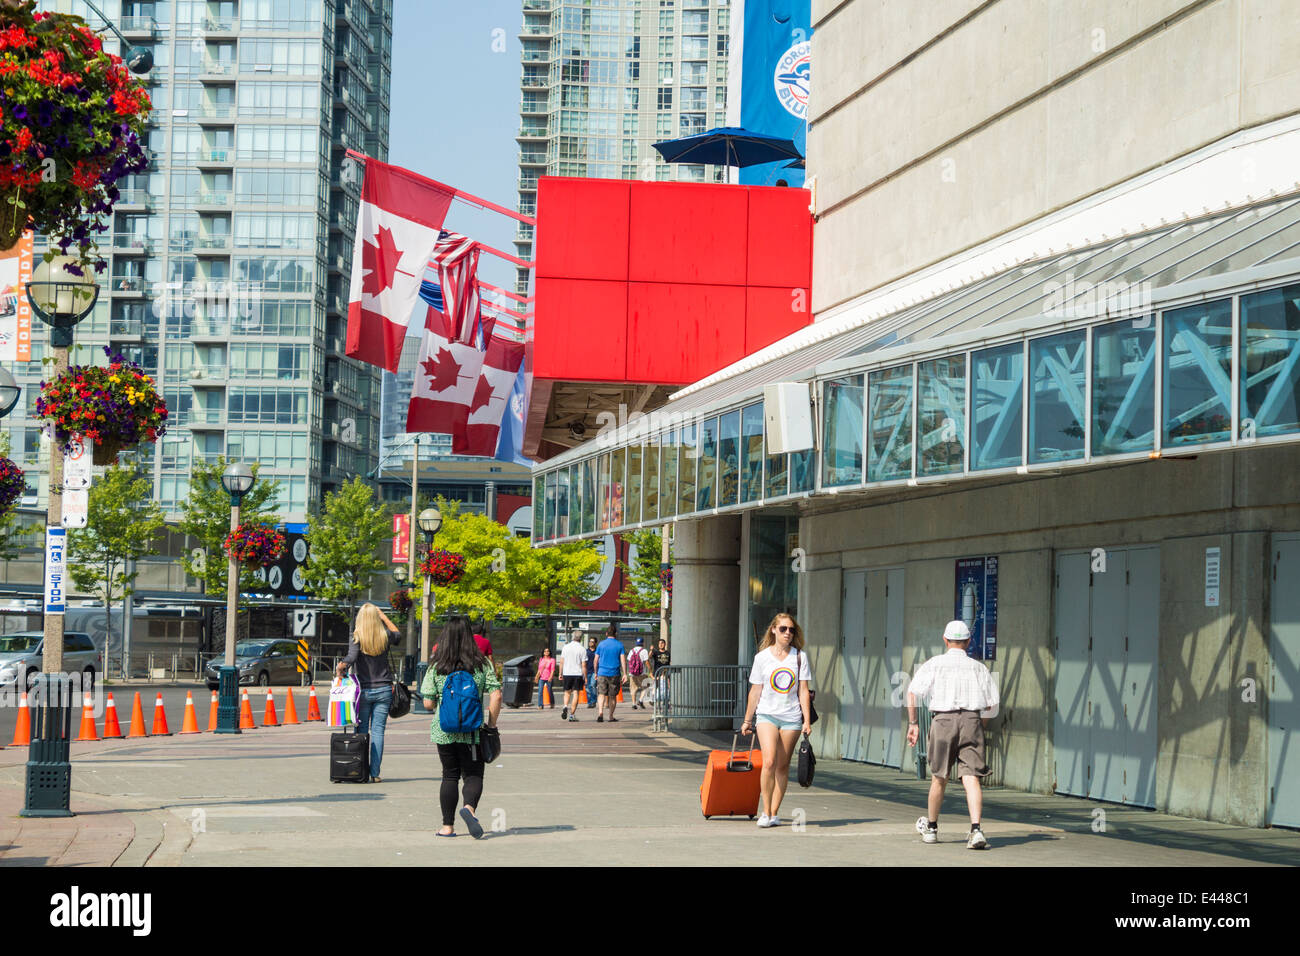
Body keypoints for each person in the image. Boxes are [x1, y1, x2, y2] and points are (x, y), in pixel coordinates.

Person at [906, 620, 999, 849]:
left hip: (943, 720)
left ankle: (932, 828)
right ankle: (976, 830)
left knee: (939, 776)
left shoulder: (935, 663)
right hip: (971, 719)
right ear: (968, 642)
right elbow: (993, 704)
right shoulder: (978, 667)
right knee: (971, 777)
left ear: (945, 640)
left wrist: (913, 723)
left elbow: (912, 692)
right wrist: (979, 725)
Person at [420, 615, 502, 839]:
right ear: (470, 636)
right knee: (473, 774)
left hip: (443, 729)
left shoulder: (437, 665)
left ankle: (447, 827)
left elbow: (427, 702)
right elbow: (496, 694)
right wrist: (491, 725)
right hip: (472, 731)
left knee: (449, 776)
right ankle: (469, 809)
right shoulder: (481, 664)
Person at [740, 613, 812, 828]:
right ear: (773, 630)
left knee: (782, 766)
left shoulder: (800, 657)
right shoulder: (762, 657)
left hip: (791, 717)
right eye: (783, 629)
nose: (787, 633)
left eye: (791, 630)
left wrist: (807, 720)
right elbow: (755, 690)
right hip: (766, 715)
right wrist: (747, 720)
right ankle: (764, 811)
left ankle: (773, 812)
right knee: (769, 761)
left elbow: (803, 691)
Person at [335, 603, 402, 783]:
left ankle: (360, 770)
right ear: (376, 618)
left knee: (362, 731)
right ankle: (375, 773)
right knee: (378, 731)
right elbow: (398, 634)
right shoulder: (385, 636)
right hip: (385, 690)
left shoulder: (356, 637)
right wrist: (383, 616)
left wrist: (340, 667)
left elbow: (350, 658)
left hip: (363, 691)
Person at [593, 624, 626, 723]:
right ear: (616, 634)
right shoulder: (619, 645)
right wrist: (624, 673)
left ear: (606, 633)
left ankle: (600, 713)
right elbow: (623, 660)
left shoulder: (601, 644)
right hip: (615, 673)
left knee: (601, 694)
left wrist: (595, 672)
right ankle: (611, 716)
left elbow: (595, 660)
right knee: (612, 696)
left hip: (602, 672)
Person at [559, 629, 586, 721]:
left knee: (567, 692)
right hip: (577, 674)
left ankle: (565, 706)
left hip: (567, 673)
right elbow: (583, 665)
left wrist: (560, 673)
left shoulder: (565, 647)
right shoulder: (582, 649)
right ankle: (572, 715)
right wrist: (585, 676)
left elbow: (561, 662)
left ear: (572, 637)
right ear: (581, 638)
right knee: (575, 693)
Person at [627, 637, 651, 709]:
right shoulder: (644, 651)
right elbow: (646, 662)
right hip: (641, 673)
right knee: (645, 686)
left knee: (633, 688)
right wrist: (650, 670)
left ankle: (633, 704)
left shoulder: (632, 650)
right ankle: (640, 700)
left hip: (632, 673)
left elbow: (629, 660)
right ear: (643, 643)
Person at [585, 636, 599, 708]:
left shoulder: (597, 651)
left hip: (594, 671)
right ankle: (589, 702)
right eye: (590, 641)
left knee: (593, 685)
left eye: (592, 641)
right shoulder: (586, 651)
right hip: (587, 671)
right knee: (587, 687)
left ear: (595, 643)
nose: (591, 643)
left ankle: (593, 701)